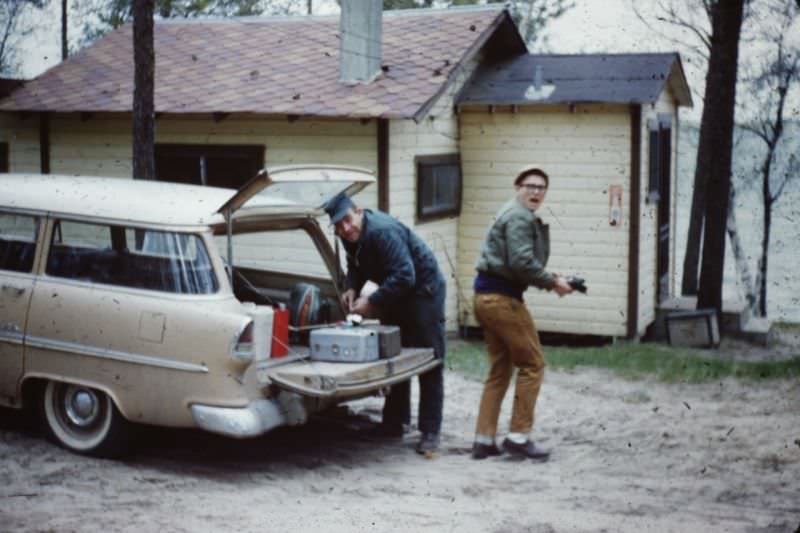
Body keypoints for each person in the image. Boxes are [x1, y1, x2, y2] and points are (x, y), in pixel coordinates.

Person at [323, 192, 446, 455]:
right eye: (338, 225)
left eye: (347, 220)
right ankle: (394, 423)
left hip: (424, 291)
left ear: (358, 211)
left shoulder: (382, 231)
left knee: (430, 359)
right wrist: (351, 288)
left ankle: (430, 431)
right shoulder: (349, 236)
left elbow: (405, 274)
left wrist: (372, 301)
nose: (345, 228)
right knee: (394, 353)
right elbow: (355, 265)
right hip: (397, 292)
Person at [470, 167, 574, 461]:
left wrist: (552, 276)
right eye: (530, 186)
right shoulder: (519, 216)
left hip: (485, 297)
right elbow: (521, 262)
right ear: (518, 187)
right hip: (502, 300)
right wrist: (554, 283)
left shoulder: (511, 211)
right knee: (532, 364)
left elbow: (514, 261)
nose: (536, 192)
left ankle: (484, 439)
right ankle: (518, 437)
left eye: (541, 188)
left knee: (500, 369)